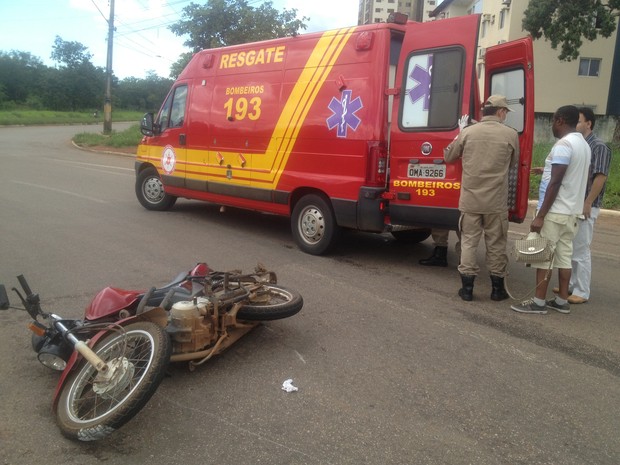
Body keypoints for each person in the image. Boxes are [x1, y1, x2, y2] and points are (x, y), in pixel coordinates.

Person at [511, 105, 591, 315]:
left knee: (543, 257)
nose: (552, 125)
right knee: (565, 258)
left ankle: (538, 303)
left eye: (553, 120)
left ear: (561, 120)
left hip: (555, 213)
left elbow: (556, 182)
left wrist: (541, 216)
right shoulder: (583, 144)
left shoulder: (564, 144)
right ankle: (562, 301)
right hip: (572, 213)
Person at [444, 95, 519, 301]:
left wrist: (459, 135)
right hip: (496, 202)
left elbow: (448, 156)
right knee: (496, 244)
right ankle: (497, 290)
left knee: (468, 242)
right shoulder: (510, 135)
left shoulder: (468, 132)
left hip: (470, 201)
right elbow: (513, 164)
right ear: (501, 112)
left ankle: (467, 290)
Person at [552, 107, 611, 304]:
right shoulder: (580, 145)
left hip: (587, 204)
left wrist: (588, 202)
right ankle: (570, 286)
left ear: (589, 124)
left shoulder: (598, 147)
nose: (575, 124)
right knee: (570, 247)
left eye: (579, 121)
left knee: (581, 249)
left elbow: (600, 177)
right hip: (575, 204)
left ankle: (582, 290)